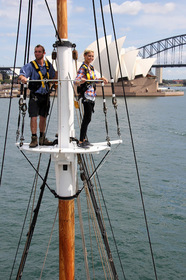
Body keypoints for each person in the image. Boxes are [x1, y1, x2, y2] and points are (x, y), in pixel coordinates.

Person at [19, 44, 57, 148]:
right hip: (35, 95)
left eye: (39, 52)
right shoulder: (31, 66)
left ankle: (42, 138)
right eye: (36, 51)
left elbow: (54, 75)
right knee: (34, 117)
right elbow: (22, 74)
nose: (37, 53)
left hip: (45, 95)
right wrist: (23, 78)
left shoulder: (48, 66)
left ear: (44, 53)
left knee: (43, 117)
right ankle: (34, 138)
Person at [74, 49, 108, 148]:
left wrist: (101, 79)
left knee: (88, 118)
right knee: (87, 118)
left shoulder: (91, 67)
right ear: (84, 56)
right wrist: (81, 81)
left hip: (92, 95)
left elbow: (93, 79)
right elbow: (76, 80)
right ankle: (81, 141)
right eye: (89, 56)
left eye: (92, 56)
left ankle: (84, 139)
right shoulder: (83, 68)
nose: (91, 58)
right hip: (86, 95)